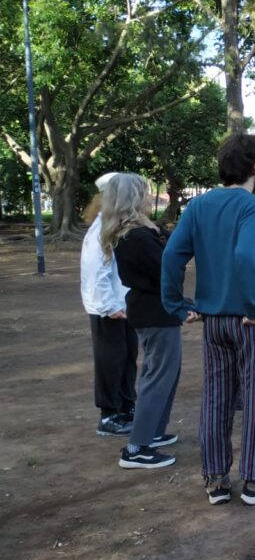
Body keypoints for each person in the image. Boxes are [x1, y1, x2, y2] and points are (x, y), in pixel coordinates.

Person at [162, 133, 255, 506]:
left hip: (214, 322)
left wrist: (175, 303)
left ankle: (216, 479)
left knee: (216, 398)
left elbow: (172, 255)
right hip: (251, 322)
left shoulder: (198, 206)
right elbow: (245, 256)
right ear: (254, 166)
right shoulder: (254, 207)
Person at [102, 173, 186, 469]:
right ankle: (136, 447)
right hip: (155, 311)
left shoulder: (136, 232)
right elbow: (167, 269)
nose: (149, 197)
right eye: (145, 192)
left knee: (165, 372)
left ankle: (152, 432)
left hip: (153, 310)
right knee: (159, 376)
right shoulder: (136, 236)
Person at [81, 172, 137, 437]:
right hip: (109, 309)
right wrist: (109, 306)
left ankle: (126, 406)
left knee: (127, 358)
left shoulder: (115, 226)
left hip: (123, 306)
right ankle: (108, 415)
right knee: (110, 362)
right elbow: (96, 272)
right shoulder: (101, 228)